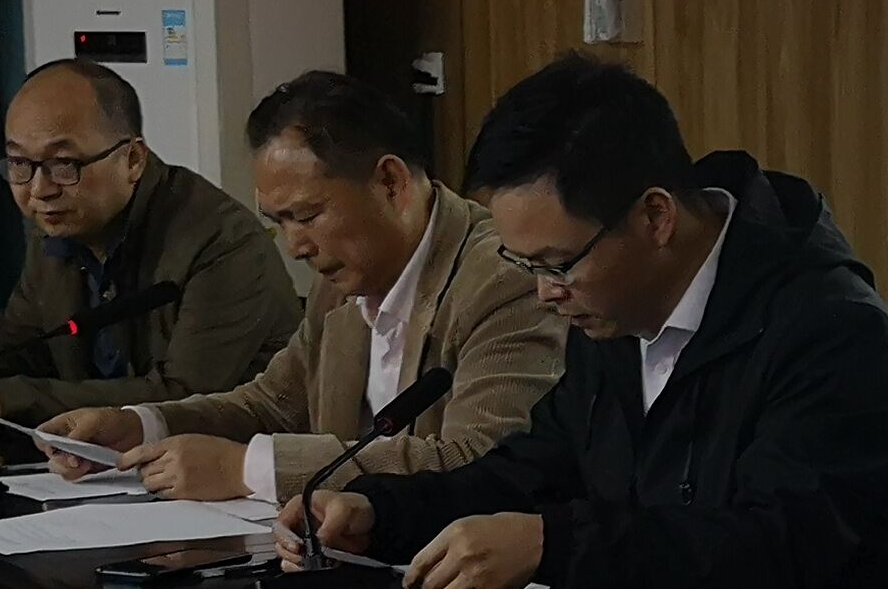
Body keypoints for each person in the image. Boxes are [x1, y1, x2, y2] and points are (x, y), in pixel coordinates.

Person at [289, 56, 888, 589]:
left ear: (655, 216)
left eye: (557, 264)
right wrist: (381, 512)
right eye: (526, 266)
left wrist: (553, 545)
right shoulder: (614, 313)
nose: (545, 293)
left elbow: (776, 545)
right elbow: (534, 472)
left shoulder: (833, 331)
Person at [40, 70, 563, 504]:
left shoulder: (506, 278)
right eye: (279, 222)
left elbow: (478, 460)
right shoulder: (343, 282)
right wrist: (141, 426)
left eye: (307, 216)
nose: (295, 247)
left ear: (390, 182)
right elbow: (270, 405)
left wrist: (246, 469)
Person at [0, 59, 302, 430]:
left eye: (63, 163)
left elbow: (183, 397)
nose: (39, 189)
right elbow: (20, 344)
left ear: (132, 159)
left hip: (227, 457)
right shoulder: (59, 225)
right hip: (95, 458)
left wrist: (2, 399)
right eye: (20, 163)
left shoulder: (221, 241)